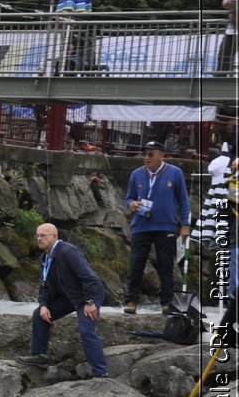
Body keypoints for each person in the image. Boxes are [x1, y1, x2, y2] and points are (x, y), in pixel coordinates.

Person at [20, 222, 108, 378]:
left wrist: (89, 302)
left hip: (88, 295)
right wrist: (43, 305)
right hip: (69, 296)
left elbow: (90, 278)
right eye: (38, 235)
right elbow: (45, 286)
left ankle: (100, 373)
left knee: (86, 331)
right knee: (39, 315)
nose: (39, 238)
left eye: (43, 235)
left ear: (54, 237)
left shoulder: (68, 251)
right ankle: (39, 356)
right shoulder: (45, 257)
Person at [122, 140, 192, 315]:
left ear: (161, 155)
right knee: (136, 263)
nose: (146, 157)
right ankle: (131, 300)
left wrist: (185, 225)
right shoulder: (136, 174)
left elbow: (183, 200)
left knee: (165, 264)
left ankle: (167, 302)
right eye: (145, 154)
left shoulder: (175, 173)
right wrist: (132, 204)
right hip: (141, 225)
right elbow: (129, 197)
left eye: (151, 154)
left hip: (165, 226)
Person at [193, 142, 232, 248]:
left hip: (225, 191)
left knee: (214, 214)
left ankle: (214, 236)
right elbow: (212, 169)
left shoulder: (225, 161)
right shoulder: (224, 160)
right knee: (214, 214)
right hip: (220, 190)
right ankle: (213, 237)